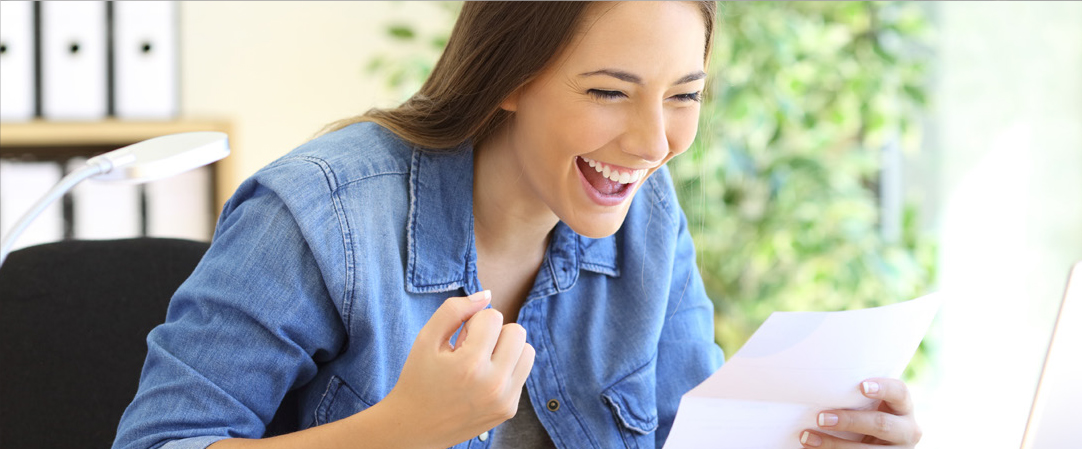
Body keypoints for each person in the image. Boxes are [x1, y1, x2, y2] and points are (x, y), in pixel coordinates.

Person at [112, 2, 921, 449]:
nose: (652, 144)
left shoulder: (649, 219)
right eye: (608, 91)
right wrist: (399, 432)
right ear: (509, 78)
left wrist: (812, 440)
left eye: (685, 95)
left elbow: (690, 437)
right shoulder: (322, 215)